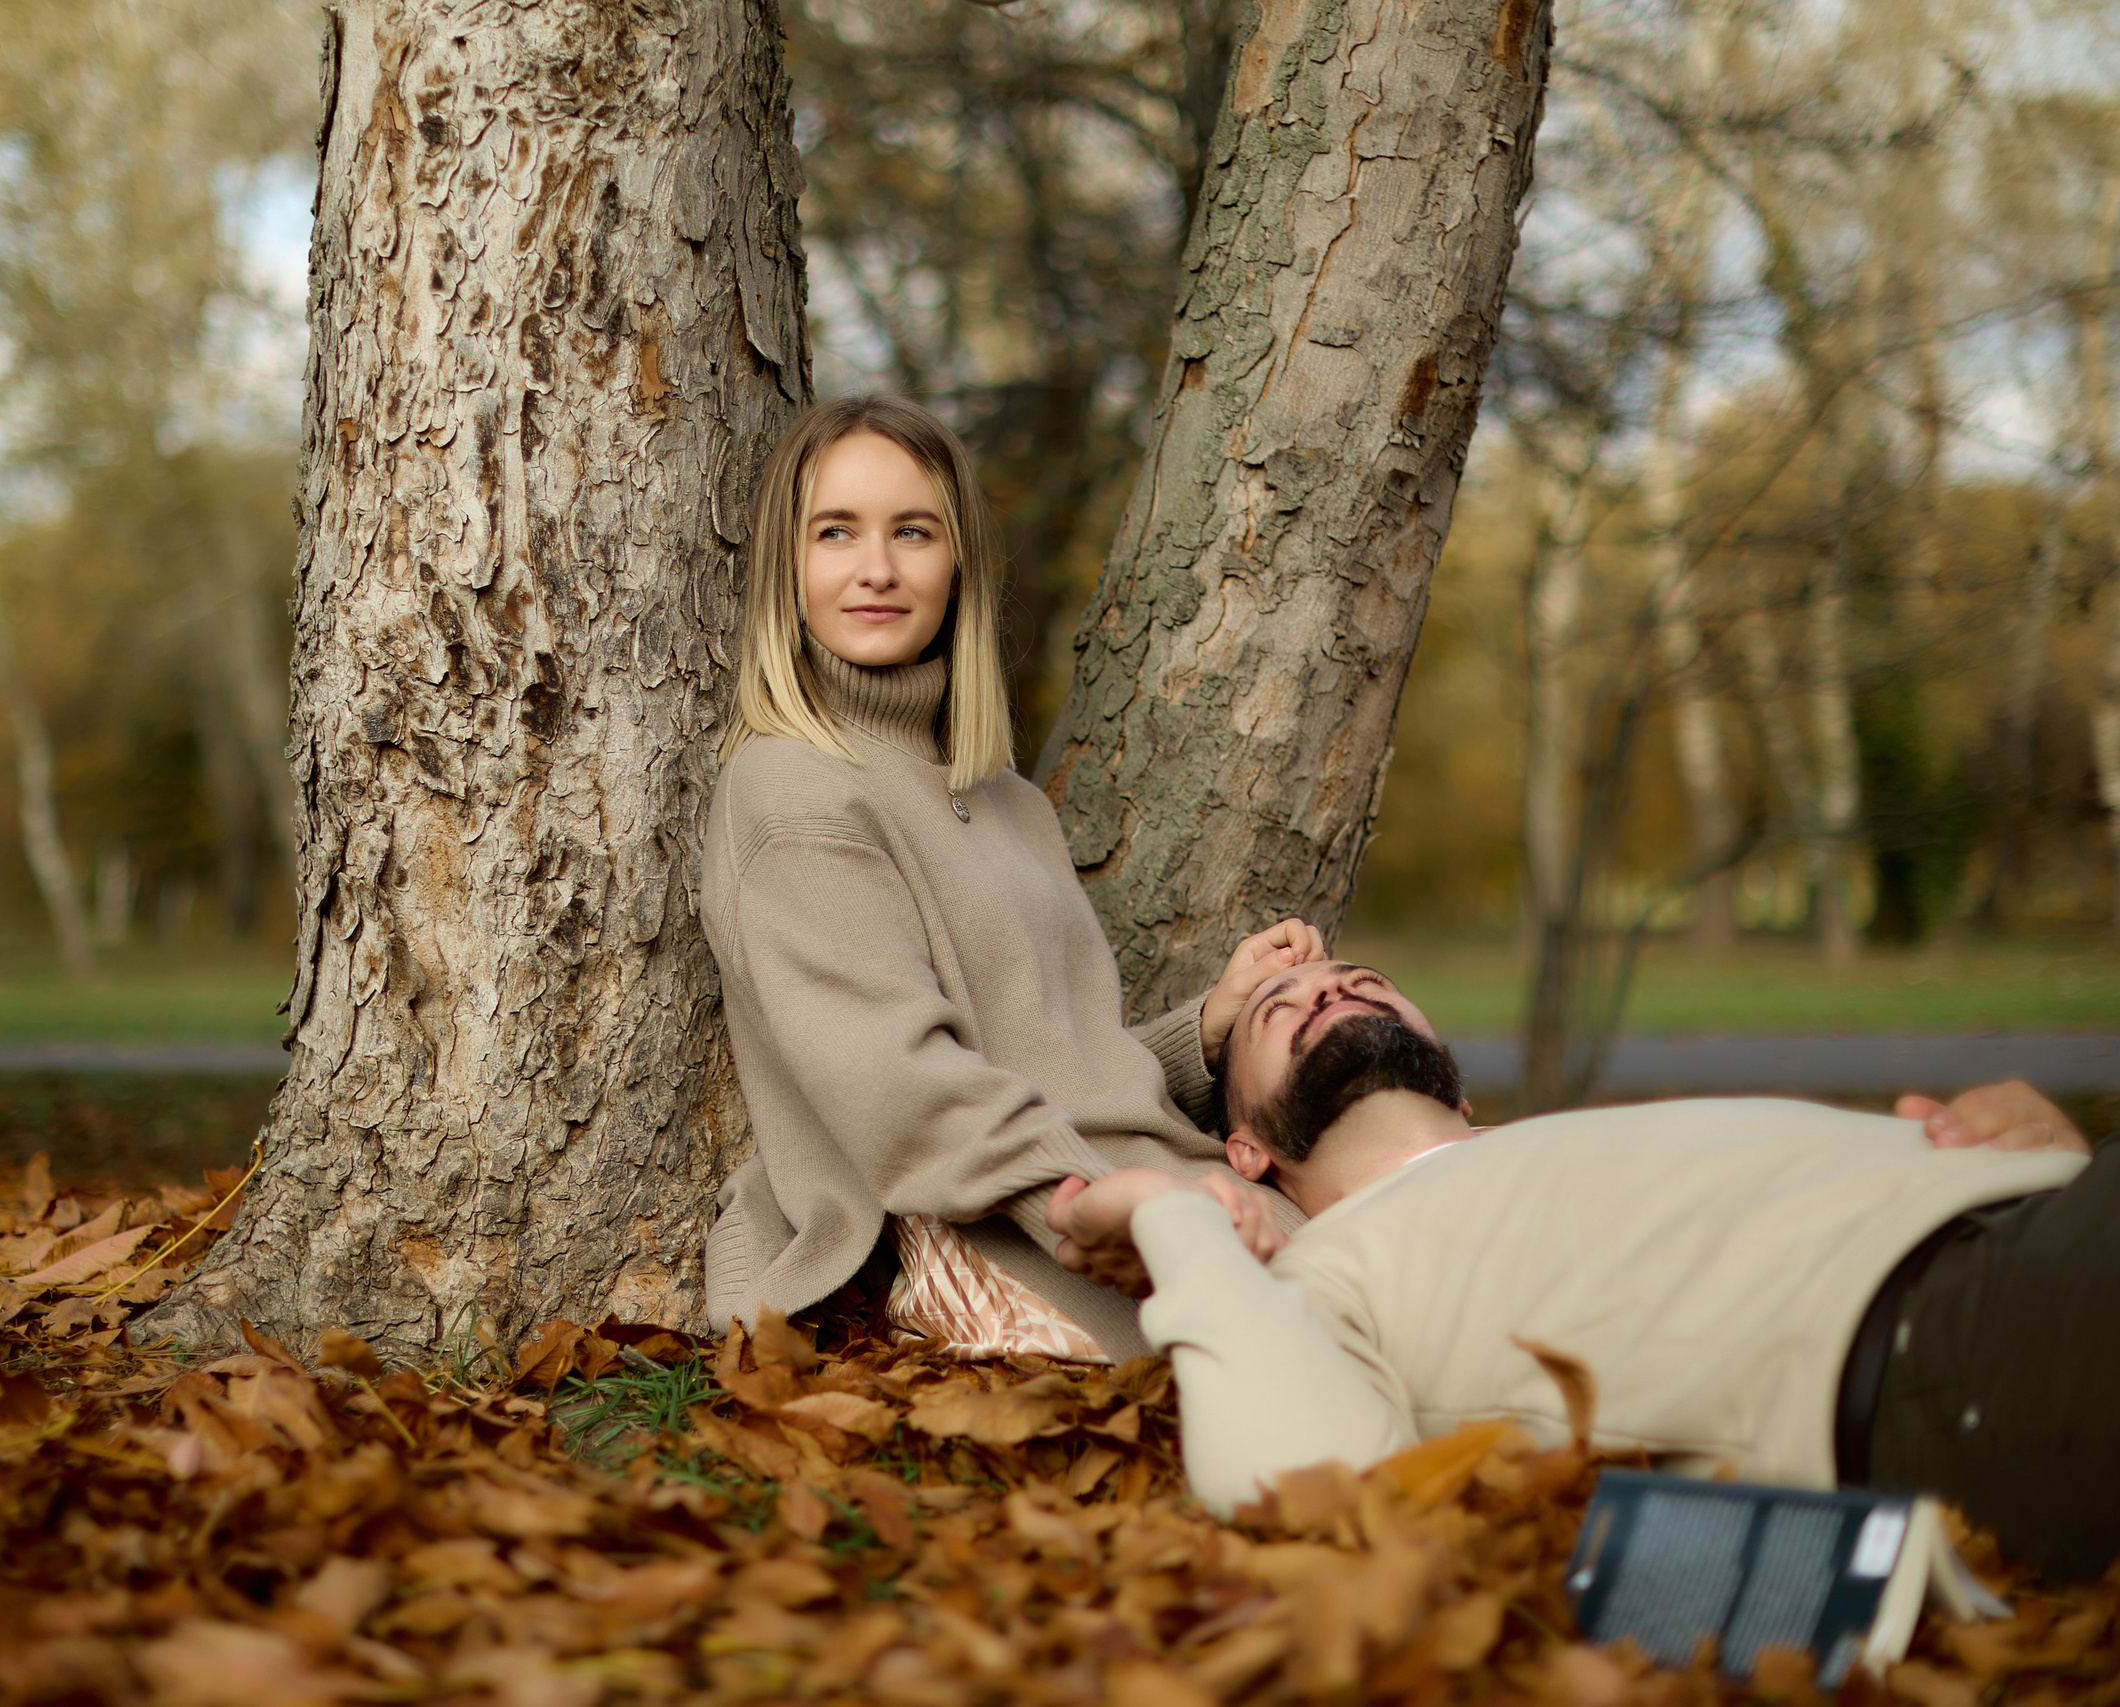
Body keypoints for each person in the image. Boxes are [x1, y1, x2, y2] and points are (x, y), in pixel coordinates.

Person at [1045, 958, 2116, 1580]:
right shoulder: (1317, 1278)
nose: (1331, 991)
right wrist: (1170, 1215)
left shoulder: (1557, 1148)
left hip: (2043, 1230)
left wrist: (2039, 1156)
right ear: (1245, 1150)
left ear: (1463, 1093)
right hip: (1949, 1350)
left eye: (1364, 982)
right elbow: (1289, 1484)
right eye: (1282, 1010)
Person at [698, 394, 1300, 1363]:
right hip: (1014, 1238)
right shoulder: (792, 789)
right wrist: (1102, 1203)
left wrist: (1204, 1035)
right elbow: (899, 1087)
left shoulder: (1009, 802)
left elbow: (1046, 1059)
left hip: (1124, 1182)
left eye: (913, 531)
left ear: (959, 564)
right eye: (834, 532)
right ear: (786, 567)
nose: (877, 568)